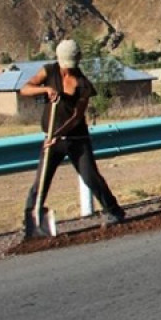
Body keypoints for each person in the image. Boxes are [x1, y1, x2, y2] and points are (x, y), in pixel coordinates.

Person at [20, 39, 125, 237]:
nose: (67, 70)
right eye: (65, 65)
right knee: (40, 182)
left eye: (71, 65)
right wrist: (45, 89)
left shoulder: (83, 84)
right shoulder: (48, 71)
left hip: (76, 140)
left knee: (91, 177)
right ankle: (31, 222)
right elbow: (25, 89)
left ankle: (114, 211)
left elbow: (76, 117)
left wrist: (57, 135)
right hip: (51, 140)